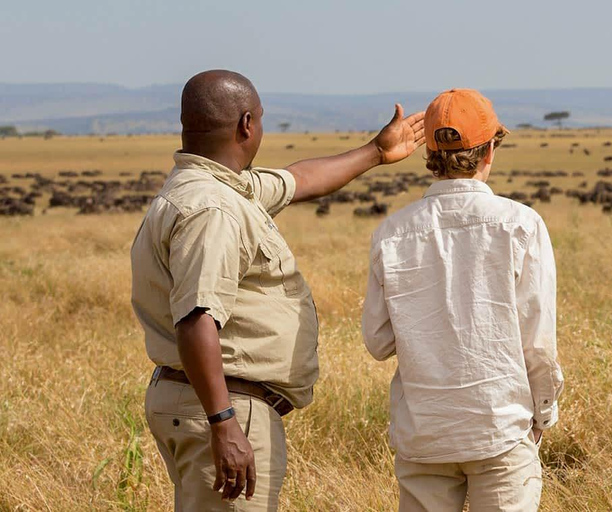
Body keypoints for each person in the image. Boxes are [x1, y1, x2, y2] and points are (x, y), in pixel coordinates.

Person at [131, 69, 425, 511]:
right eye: (262, 119)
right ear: (247, 124)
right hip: (225, 405)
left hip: (208, 402)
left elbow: (298, 179)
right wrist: (224, 423)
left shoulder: (218, 188)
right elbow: (196, 319)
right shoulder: (213, 210)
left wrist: (376, 152)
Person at [362, 89, 564, 511]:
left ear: (429, 154)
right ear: (490, 149)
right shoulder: (521, 225)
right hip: (500, 428)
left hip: (424, 434)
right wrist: (543, 414)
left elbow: (378, 344)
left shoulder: (391, 233)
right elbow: (538, 344)